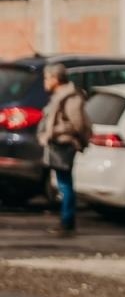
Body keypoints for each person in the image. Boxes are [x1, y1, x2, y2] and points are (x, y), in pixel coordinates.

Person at [38, 63, 90, 237]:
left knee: (65, 183)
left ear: (55, 79)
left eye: (46, 78)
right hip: (57, 143)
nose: (44, 82)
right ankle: (66, 220)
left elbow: (78, 123)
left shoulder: (70, 97)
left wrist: (62, 133)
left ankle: (67, 221)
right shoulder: (60, 95)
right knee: (62, 182)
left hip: (64, 144)